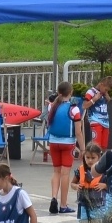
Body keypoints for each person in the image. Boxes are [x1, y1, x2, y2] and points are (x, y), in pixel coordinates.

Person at [42, 82, 81, 215]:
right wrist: (82, 148)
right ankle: (63, 205)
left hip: (53, 142)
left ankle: (53, 198)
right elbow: (78, 132)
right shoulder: (74, 109)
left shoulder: (52, 106)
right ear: (70, 93)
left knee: (56, 172)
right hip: (68, 143)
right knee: (65, 173)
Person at [74, 141, 106, 223]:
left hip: (98, 206)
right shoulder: (80, 170)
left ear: (99, 158)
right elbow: (72, 183)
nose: (90, 160)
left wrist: (104, 185)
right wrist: (75, 186)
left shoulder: (104, 171)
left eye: (93, 158)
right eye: (87, 158)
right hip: (83, 205)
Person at [83, 75, 112, 151]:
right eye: (105, 89)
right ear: (101, 84)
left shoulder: (104, 93)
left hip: (105, 122)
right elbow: (84, 106)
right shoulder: (91, 92)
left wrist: (107, 97)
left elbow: (107, 100)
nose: (106, 91)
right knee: (96, 146)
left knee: (104, 146)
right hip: (95, 121)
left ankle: (102, 161)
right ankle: (95, 161)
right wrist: (94, 99)